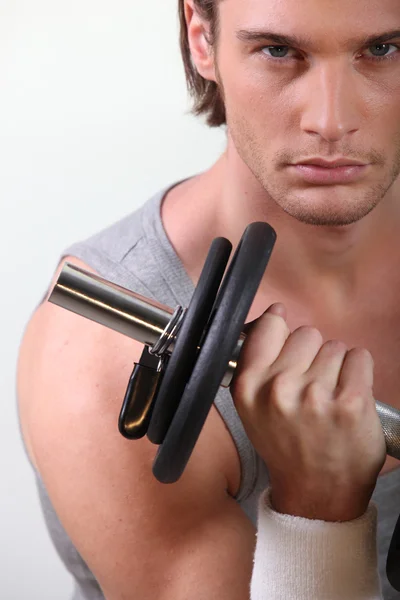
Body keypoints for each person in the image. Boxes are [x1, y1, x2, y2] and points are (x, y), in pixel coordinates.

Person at [16, 0, 400, 598]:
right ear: (202, 37)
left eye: (382, 50)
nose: (330, 120)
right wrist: (319, 507)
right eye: (278, 51)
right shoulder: (95, 358)